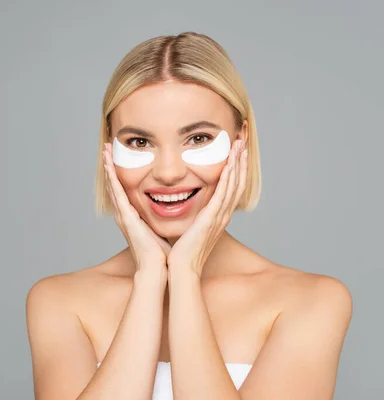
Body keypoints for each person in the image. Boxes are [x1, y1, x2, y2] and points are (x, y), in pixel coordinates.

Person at [25, 31, 353, 400]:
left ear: (241, 140)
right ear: (108, 147)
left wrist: (185, 273)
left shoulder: (311, 302)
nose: (168, 172)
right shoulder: (58, 302)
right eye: (139, 142)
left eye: (197, 138)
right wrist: (150, 276)